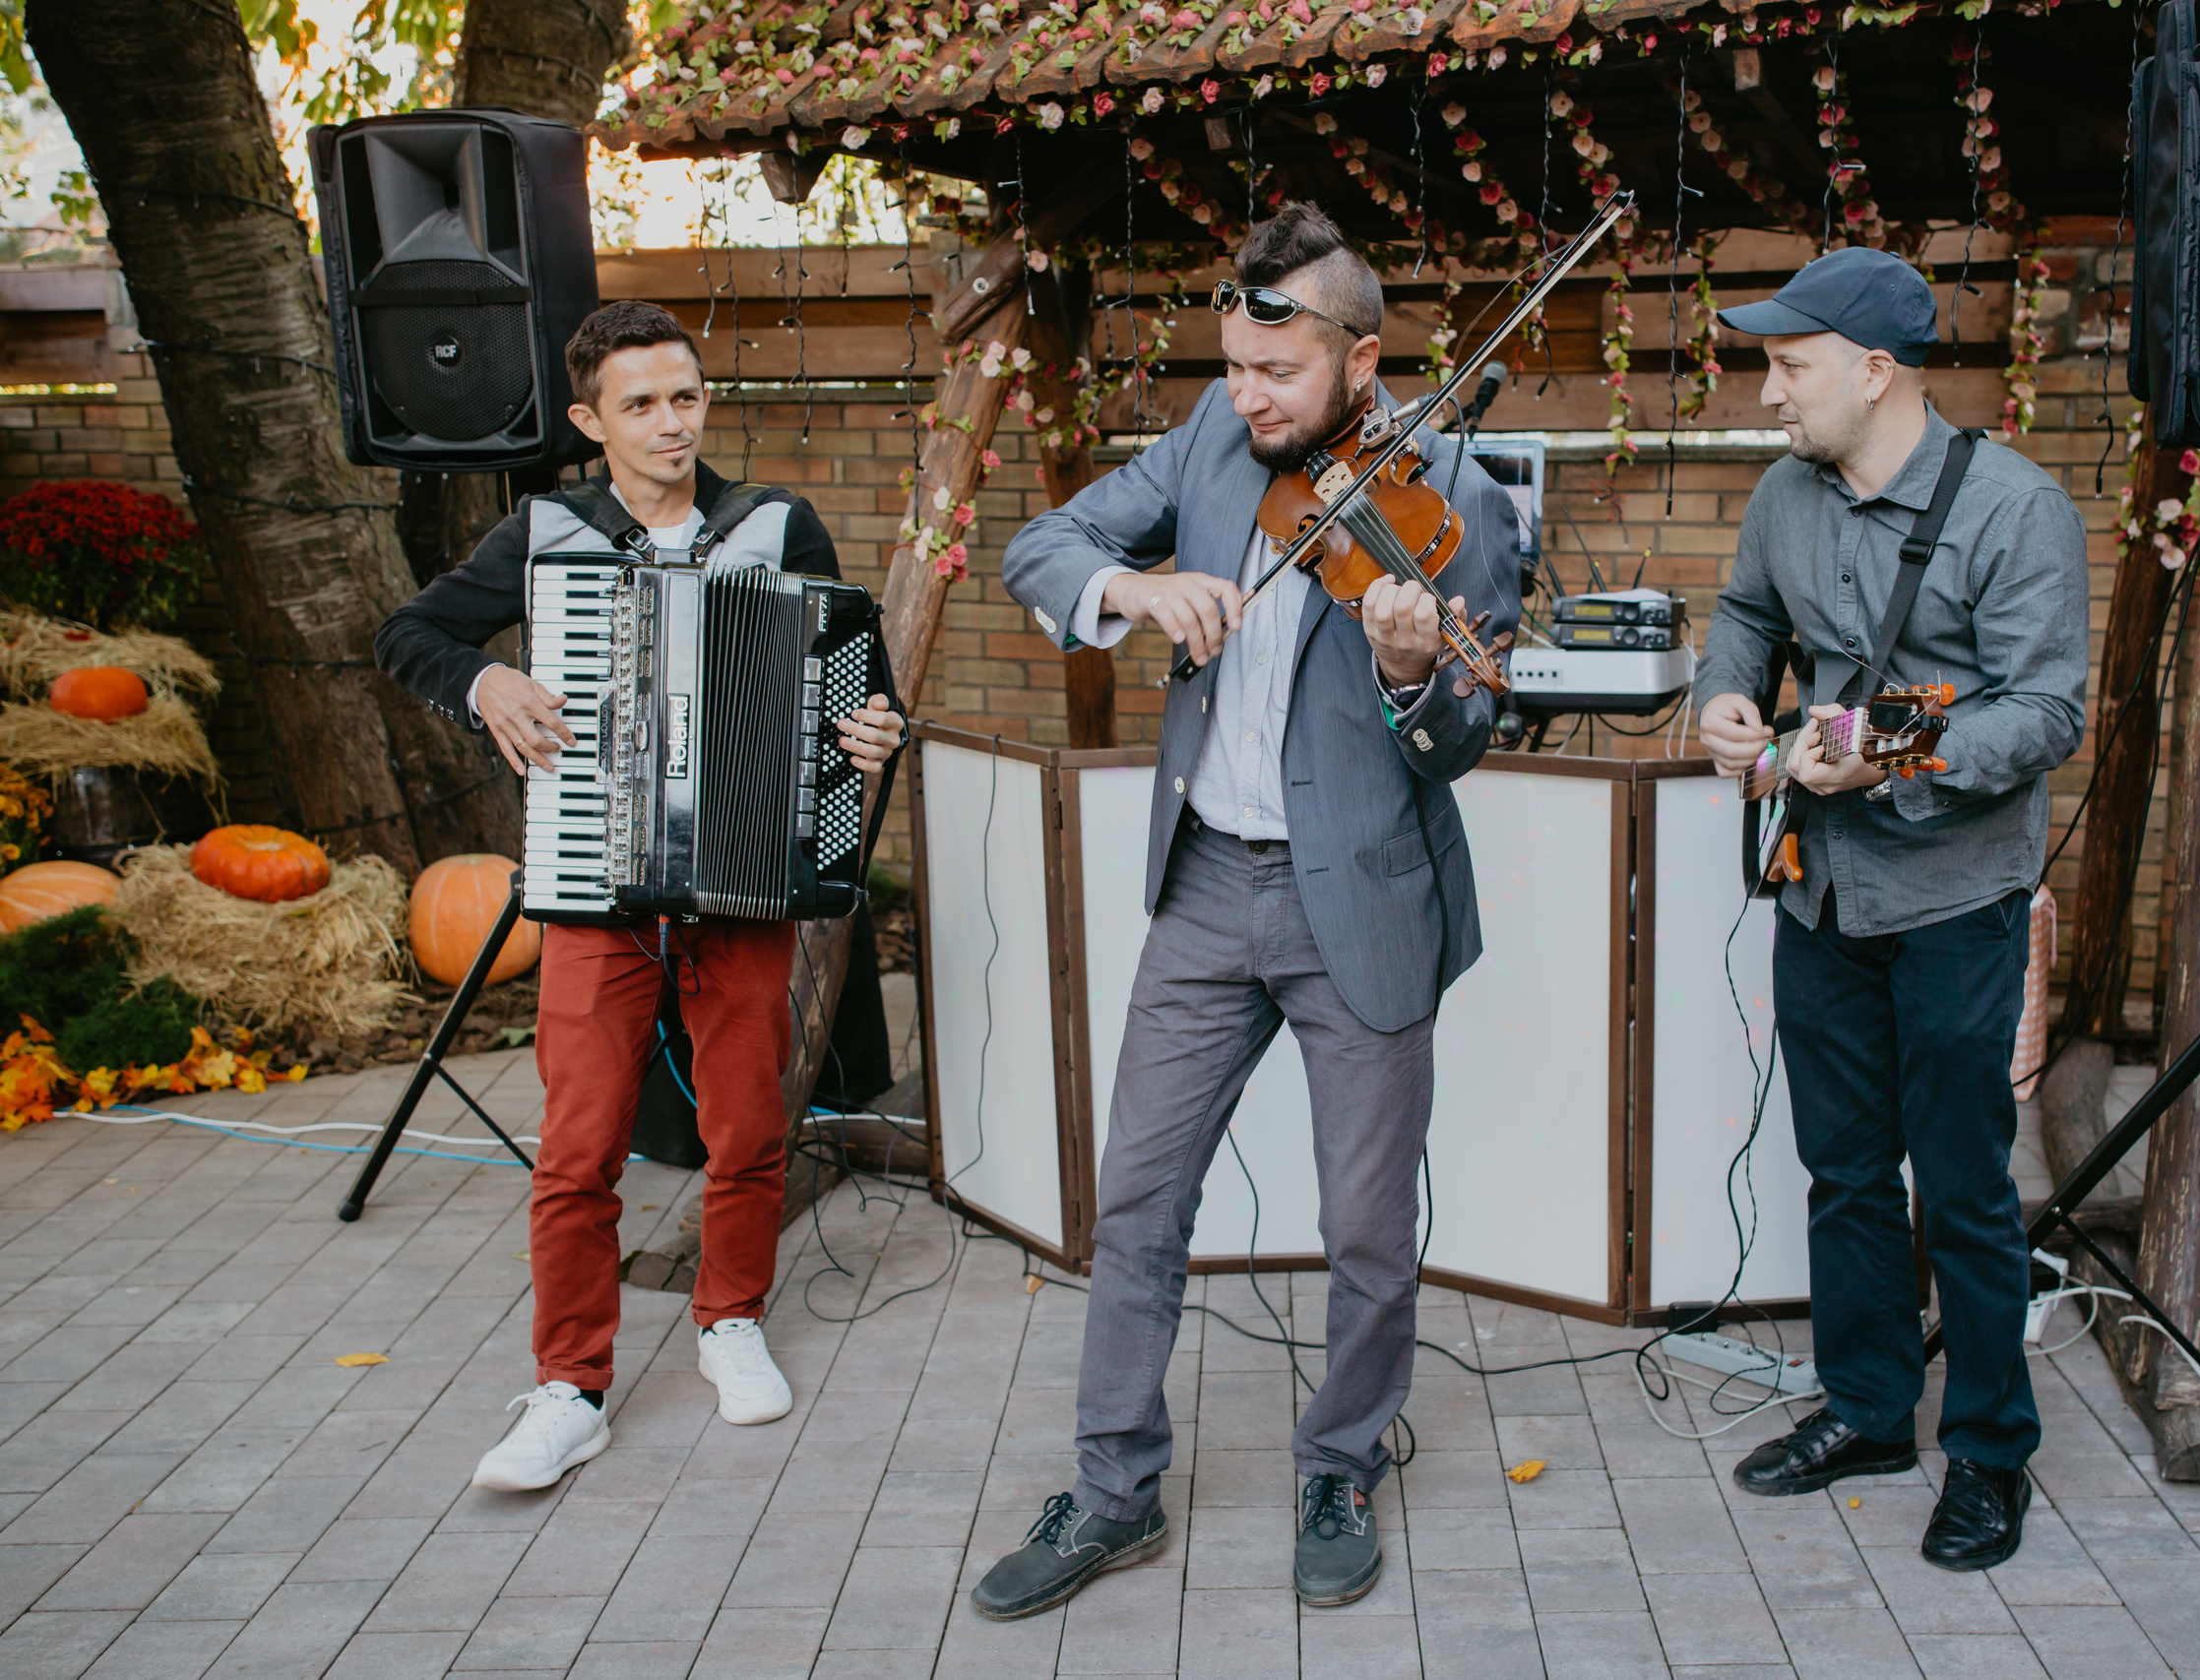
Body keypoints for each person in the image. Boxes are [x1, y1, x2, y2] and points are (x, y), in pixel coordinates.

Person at [977, 203, 1519, 1619]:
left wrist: (1414, 674)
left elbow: (1469, 731)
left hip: (1366, 897)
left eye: (1277, 373)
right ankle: (1110, 1489)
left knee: (1366, 1224)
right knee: (1140, 1196)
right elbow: (1043, 544)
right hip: (1209, 884)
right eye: (1233, 365)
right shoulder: (1209, 446)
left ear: (1360, 353)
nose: (1247, 396)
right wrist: (1138, 588)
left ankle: (1342, 1460)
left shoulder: (1453, 495)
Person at [374, 299, 906, 1491]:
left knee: (750, 1123)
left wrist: (868, 731)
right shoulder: (548, 532)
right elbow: (408, 636)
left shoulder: (772, 526)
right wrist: (486, 682)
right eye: (642, 405)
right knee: (576, 1147)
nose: (673, 423)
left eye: (687, 396)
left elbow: (846, 688)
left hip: (742, 880)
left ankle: (731, 1320)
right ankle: (569, 1387)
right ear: (588, 420)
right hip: (590, 881)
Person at [1692, 247, 2087, 1571]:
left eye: (1789, 366)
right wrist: (1724, 698)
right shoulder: (1780, 495)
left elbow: (2044, 711)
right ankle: (1868, 1409)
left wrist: (1894, 750)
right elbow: (1745, 613)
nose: (1767, 393)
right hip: (1823, 894)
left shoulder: (2019, 509)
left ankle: (1989, 1449)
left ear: (1874, 370)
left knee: (1964, 1187)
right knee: (1845, 1172)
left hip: (1957, 898)